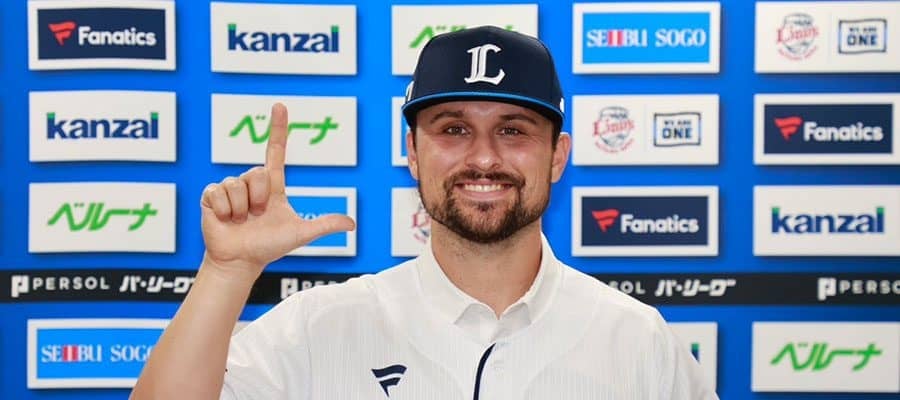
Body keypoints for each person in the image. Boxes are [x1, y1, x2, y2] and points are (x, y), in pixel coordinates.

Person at [131, 26, 717, 399]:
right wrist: (228, 272)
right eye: (453, 129)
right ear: (412, 151)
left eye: (513, 130)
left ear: (557, 155)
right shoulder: (316, 328)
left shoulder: (639, 341)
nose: (483, 157)